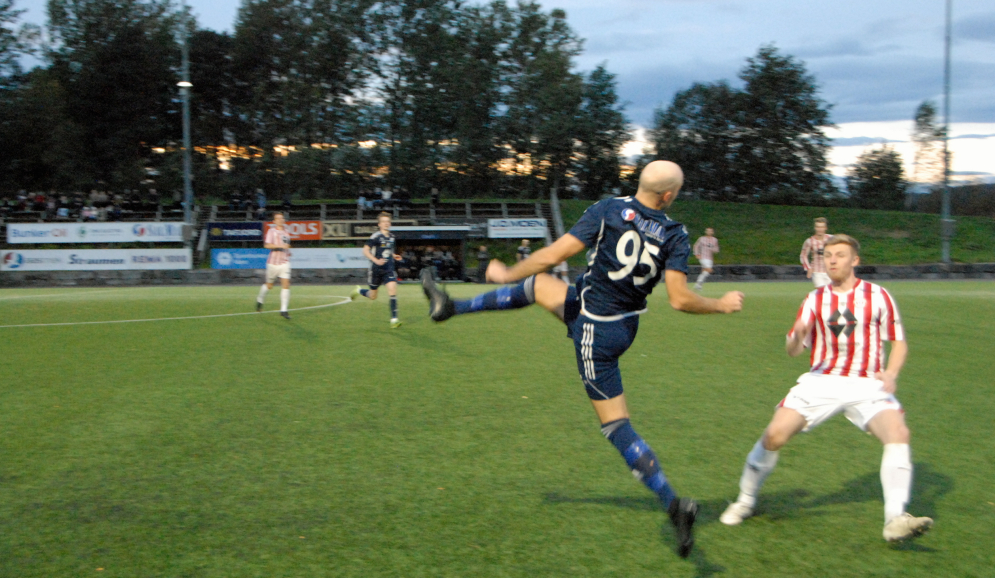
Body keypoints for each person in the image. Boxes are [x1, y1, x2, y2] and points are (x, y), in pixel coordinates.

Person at [420, 160, 745, 559]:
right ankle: (450, 307)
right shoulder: (675, 233)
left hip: (595, 330)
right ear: (667, 196)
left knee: (616, 426)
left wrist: (506, 273)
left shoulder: (608, 209)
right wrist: (720, 304)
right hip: (621, 323)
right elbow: (679, 298)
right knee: (540, 286)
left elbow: (555, 252)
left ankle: (674, 505)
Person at [719, 234, 932, 543]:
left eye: (840, 255)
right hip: (821, 381)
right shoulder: (815, 299)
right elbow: (793, 350)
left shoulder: (878, 296)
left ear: (855, 260)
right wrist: (797, 335)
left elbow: (899, 343)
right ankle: (745, 500)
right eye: (828, 255)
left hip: (867, 384)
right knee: (774, 435)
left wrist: (891, 373)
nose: (832, 260)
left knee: (898, 432)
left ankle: (895, 519)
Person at [351, 211, 403, 329]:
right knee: (373, 296)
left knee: (392, 290)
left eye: (388, 221)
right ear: (379, 224)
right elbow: (365, 251)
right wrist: (376, 261)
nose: (386, 223)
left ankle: (394, 320)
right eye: (383, 222)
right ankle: (358, 290)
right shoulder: (376, 237)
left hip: (388, 269)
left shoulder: (392, 237)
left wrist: (394, 255)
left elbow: (388, 250)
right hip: (376, 270)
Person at [256, 212, 292, 319]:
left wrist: (288, 250)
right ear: (274, 221)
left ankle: (284, 310)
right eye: (278, 218)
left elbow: (286, 245)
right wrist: (280, 246)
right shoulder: (271, 231)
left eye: (282, 218)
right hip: (273, 263)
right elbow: (267, 245)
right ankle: (260, 299)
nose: (281, 220)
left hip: (284, 262)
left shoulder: (286, 232)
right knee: (269, 285)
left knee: (286, 285)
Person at [800, 217, 832, 288]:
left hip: (830, 271)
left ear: (825, 228)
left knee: (831, 292)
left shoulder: (831, 239)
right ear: (815, 228)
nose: (820, 229)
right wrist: (808, 268)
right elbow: (803, 255)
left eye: (822, 227)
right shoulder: (810, 241)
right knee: (822, 291)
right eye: (818, 227)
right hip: (817, 272)